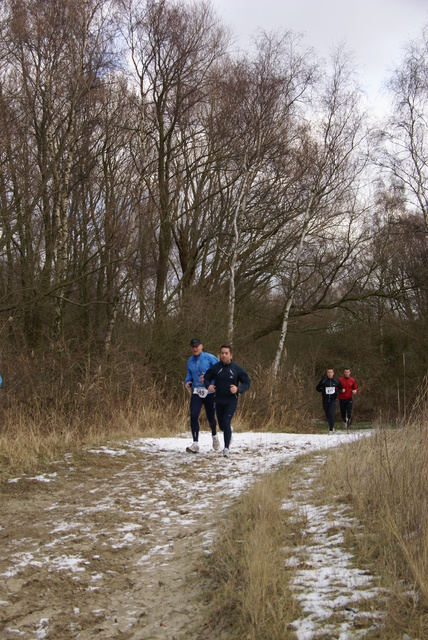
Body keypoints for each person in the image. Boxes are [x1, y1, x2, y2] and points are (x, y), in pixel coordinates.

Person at [203, 344, 250, 458]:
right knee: (222, 426)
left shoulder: (236, 369)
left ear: (231, 355)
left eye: (226, 353)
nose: (224, 355)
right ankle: (229, 431)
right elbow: (207, 378)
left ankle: (226, 448)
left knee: (226, 421)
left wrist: (238, 389)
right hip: (219, 400)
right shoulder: (216, 368)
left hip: (231, 401)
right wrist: (208, 386)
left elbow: (247, 382)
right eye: (222, 353)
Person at [185, 338, 220, 453]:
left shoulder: (210, 358)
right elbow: (189, 374)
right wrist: (187, 382)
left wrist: (208, 379)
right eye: (193, 347)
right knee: (194, 414)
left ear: (202, 346)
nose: (195, 349)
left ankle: (214, 436)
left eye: (197, 346)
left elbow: (219, 372)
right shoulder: (190, 361)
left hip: (209, 391)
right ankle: (195, 443)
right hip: (197, 391)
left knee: (210, 417)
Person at [316, 368, 343, 434]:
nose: (329, 373)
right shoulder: (324, 380)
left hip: (333, 400)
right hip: (325, 400)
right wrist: (323, 390)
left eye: (331, 372)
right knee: (327, 415)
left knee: (331, 413)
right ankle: (331, 426)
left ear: (333, 373)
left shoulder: (336, 381)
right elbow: (317, 388)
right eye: (328, 372)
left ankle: (330, 430)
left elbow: (340, 388)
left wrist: (337, 393)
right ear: (327, 373)